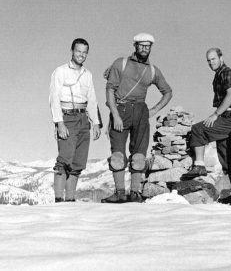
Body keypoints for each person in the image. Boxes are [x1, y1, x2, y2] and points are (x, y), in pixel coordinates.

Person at [102, 33, 172, 203]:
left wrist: (154, 109)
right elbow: (110, 89)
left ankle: (134, 194)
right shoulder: (121, 63)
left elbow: (167, 92)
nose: (144, 49)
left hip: (141, 111)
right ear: (135, 46)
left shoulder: (153, 70)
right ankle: (119, 193)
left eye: (147, 46)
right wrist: (115, 115)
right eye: (141, 45)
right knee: (117, 155)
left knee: (139, 156)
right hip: (121, 109)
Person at [181, 48, 231, 205]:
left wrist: (216, 114)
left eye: (213, 59)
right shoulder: (220, 74)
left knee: (198, 129)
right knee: (226, 153)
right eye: (208, 60)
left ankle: (199, 165)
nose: (211, 63)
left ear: (221, 57)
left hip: (228, 117)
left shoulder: (226, 73)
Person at [49, 38, 102, 202]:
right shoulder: (60, 71)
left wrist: (96, 123)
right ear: (72, 51)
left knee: (78, 161)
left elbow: (92, 100)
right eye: (78, 51)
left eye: (84, 52)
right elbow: (54, 98)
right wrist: (59, 123)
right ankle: (59, 200)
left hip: (83, 118)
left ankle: (70, 200)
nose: (81, 55)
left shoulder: (88, 74)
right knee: (65, 159)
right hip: (67, 117)